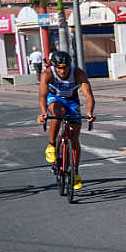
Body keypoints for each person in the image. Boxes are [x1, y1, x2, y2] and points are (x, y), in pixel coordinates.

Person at [37, 51, 96, 190]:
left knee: (74, 139)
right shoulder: (47, 74)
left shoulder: (78, 73)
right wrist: (44, 113)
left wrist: (89, 112)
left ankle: (75, 173)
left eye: (65, 67)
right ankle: (51, 145)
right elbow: (42, 96)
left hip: (71, 101)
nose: (63, 71)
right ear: (54, 66)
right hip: (54, 99)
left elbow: (88, 96)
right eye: (59, 68)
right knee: (59, 112)